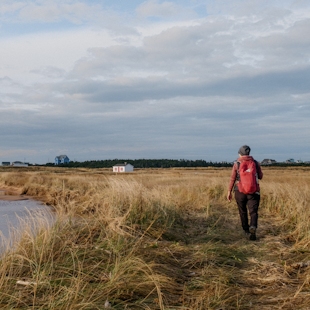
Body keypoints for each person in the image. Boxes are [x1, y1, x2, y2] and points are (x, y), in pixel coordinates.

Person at [227, 145, 263, 240]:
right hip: (254, 191)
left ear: (240, 153)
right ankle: (253, 226)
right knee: (253, 211)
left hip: (239, 191)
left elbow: (232, 179)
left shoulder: (237, 163)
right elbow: (260, 176)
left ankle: (246, 230)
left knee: (242, 211)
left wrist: (229, 191)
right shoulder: (255, 163)